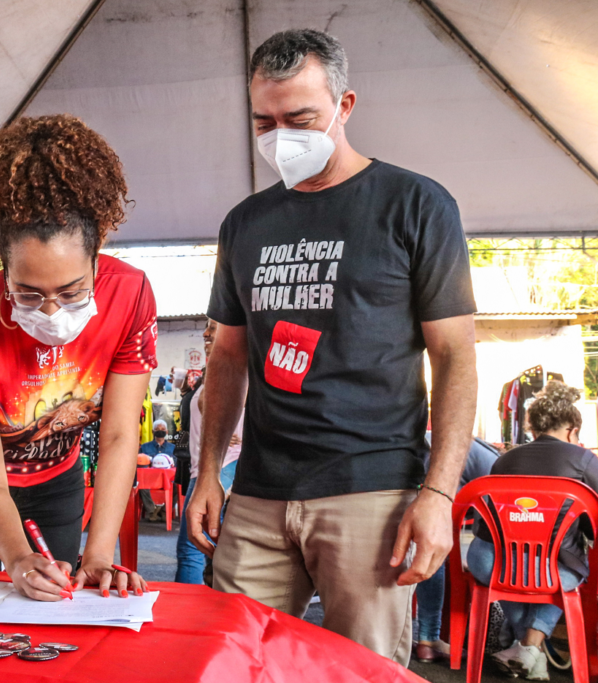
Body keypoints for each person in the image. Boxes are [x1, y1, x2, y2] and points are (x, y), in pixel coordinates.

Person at [188, 28, 477, 665]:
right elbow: (229, 356)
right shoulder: (245, 223)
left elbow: (454, 355)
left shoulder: (415, 205)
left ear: (345, 106)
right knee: (233, 660)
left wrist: (438, 493)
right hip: (259, 493)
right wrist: (208, 473)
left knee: (360, 671)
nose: (279, 135)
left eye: (300, 117)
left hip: (370, 493)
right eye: (264, 120)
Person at [0, 114, 156, 601]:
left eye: (71, 292)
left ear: (97, 254)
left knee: (63, 603)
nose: (50, 312)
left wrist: (100, 556)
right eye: (27, 294)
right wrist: (18, 558)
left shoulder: (130, 295)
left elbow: (117, 433)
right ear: (3, 267)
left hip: (56, 475)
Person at [466, 382, 594, 680]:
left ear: (533, 428)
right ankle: (530, 644)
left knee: (508, 571)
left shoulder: (505, 460)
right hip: (553, 572)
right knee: (566, 567)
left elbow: (485, 527)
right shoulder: (585, 461)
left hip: (494, 565)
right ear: (573, 428)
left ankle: (525, 649)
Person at [414, 435, 500, 662]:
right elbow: (498, 506)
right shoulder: (487, 456)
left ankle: (417, 638)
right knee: (434, 545)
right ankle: (428, 638)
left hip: (393, 497)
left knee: (425, 545)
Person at [176, 319, 243, 584]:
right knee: (204, 548)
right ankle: (204, 610)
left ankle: (188, 617)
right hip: (202, 469)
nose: (206, 332)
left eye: (213, 327)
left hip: (222, 468)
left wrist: (242, 437)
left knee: (193, 548)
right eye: (206, 326)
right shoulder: (210, 376)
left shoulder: (239, 373)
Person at [139, 419, 176, 522]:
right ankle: (152, 511)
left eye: (163, 429)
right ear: (152, 431)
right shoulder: (144, 447)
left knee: (177, 486)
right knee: (141, 486)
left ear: (167, 432)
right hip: (149, 479)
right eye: (157, 429)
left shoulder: (173, 448)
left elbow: (176, 464)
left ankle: (164, 511)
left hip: (168, 479)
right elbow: (140, 463)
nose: (160, 431)